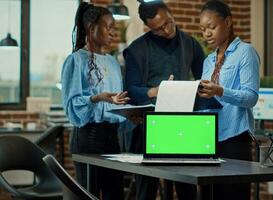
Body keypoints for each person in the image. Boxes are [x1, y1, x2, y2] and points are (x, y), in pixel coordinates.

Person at [123, 1, 205, 200]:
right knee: (146, 189)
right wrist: (155, 91)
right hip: (150, 126)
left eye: (169, 22)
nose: (167, 30)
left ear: (170, 13)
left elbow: (204, 80)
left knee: (187, 188)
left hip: (183, 125)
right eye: (159, 29)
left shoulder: (191, 44)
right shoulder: (136, 50)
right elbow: (130, 90)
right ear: (148, 28)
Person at [61, 2, 129, 200]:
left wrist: (129, 113)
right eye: (108, 27)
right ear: (92, 29)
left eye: (114, 29)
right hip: (88, 136)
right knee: (89, 194)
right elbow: (72, 106)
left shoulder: (113, 63)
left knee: (115, 193)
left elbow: (117, 101)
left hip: (113, 137)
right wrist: (97, 98)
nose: (112, 33)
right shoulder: (75, 60)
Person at [198, 0, 260, 199]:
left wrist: (220, 91)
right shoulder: (208, 60)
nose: (206, 33)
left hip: (234, 138)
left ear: (228, 22)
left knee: (233, 195)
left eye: (211, 27)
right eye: (203, 29)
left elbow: (251, 97)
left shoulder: (245, 52)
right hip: (208, 139)